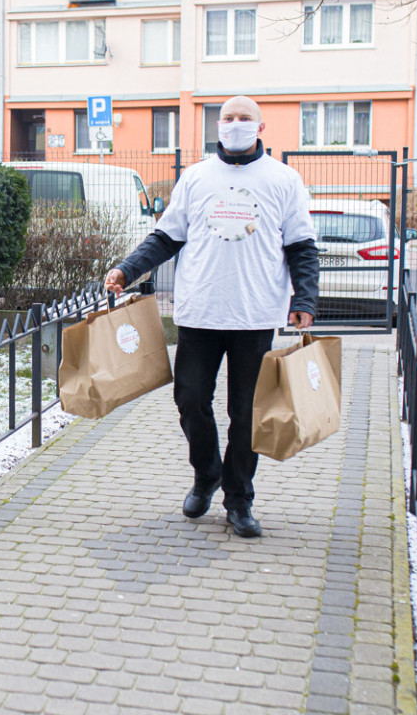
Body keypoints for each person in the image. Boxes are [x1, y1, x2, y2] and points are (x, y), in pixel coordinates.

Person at [104, 95, 319, 538]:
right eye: (228, 118)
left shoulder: (284, 180)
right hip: (199, 312)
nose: (235, 125)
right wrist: (127, 268)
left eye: (245, 119)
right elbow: (166, 236)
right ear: (217, 126)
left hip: (255, 315)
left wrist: (305, 300)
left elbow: (302, 247)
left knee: (247, 413)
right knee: (190, 401)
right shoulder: (197, 176)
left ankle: (239, 500)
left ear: (260, 128)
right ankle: (207, 475)